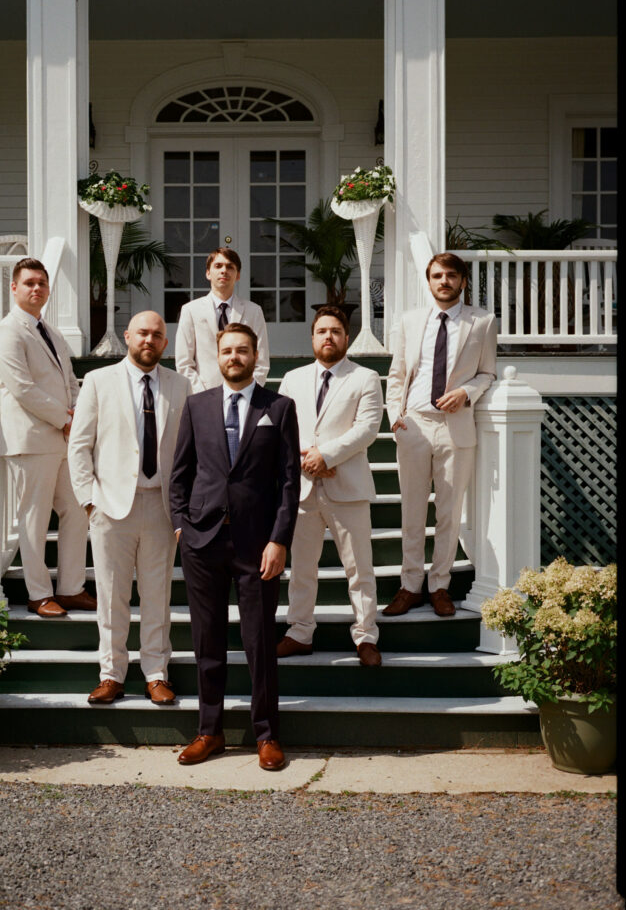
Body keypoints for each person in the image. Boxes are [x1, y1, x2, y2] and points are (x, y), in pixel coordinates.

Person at [169, 322, 301, 770]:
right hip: (202, 543)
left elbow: (288, 482)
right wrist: (180, 525)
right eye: (227, 350)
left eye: (242, 350)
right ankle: (209, 731)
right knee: (207, 642)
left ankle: (267, 734)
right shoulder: (196, 406)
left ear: (255, 354)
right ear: (216, 355)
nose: (234, 357)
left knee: (259, 642)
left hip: (257, 545)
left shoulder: (279, 408)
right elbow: (180, 473)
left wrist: (279, 539)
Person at [67, 311, 191, 705]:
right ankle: (111, 674)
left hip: (161, 505)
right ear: (127, 336)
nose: (149, 340)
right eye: (142, 333)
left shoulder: (180, 385)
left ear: (165, 343)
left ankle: (156, 673)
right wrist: (89, 501)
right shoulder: (100, 382)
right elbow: (79, 445)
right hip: (111, 506)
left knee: (157, 596)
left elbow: (191, 452)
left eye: (157, 335)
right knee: (112, 595)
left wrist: (184, 507)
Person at [384, 252, 497, 618]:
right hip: (414, 425)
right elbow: (398, 375)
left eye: (451, 275)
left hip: (455, 427)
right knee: (412, 511)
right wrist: (394, 417)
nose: (443, 281)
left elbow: (487, 374)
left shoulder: (482, 322)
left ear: (462, 281)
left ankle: (440, 586)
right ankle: (409, 585)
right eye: (436, 276)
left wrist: (466, 392)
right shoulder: (410, 321)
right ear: (428, 281)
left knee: (449, 512)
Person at [277, 306, 384, 665]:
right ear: (312, 338)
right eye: (322, 331)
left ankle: (366, 635)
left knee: (359, 568)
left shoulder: (365, 377)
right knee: (302, 568)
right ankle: (299, 631)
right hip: (303, 488)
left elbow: (367, 428)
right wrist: (306, 459)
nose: (328, 337)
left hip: (348, 486)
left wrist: (327, 455)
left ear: (346, 337)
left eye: (335, 331)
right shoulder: (292, 378)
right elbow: (280, 427)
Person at [0, 258, 93, 618]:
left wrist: (78, 416)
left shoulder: (52, 331)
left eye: (42, 284)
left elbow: (70, 381)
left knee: (78, 510)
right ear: (14, 288)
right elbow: (22, 388)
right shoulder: (7, 332)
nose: (36, 289)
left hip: (64, 438)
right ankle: (38, 594)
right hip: (31, 440)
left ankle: (71, 587)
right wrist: (64, 419)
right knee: (33, 518)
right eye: (29, 283)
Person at [175, 247, 270, 393]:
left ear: (237, 275)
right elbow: (184, 363)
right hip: (203, 395)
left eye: (230, 267)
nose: (224, 270)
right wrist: (203, 396)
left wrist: (247, 393)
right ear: (208, 273)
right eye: (218, 266)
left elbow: (261, 362)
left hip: (244, 396)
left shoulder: (254, 311)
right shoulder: (191, 311)